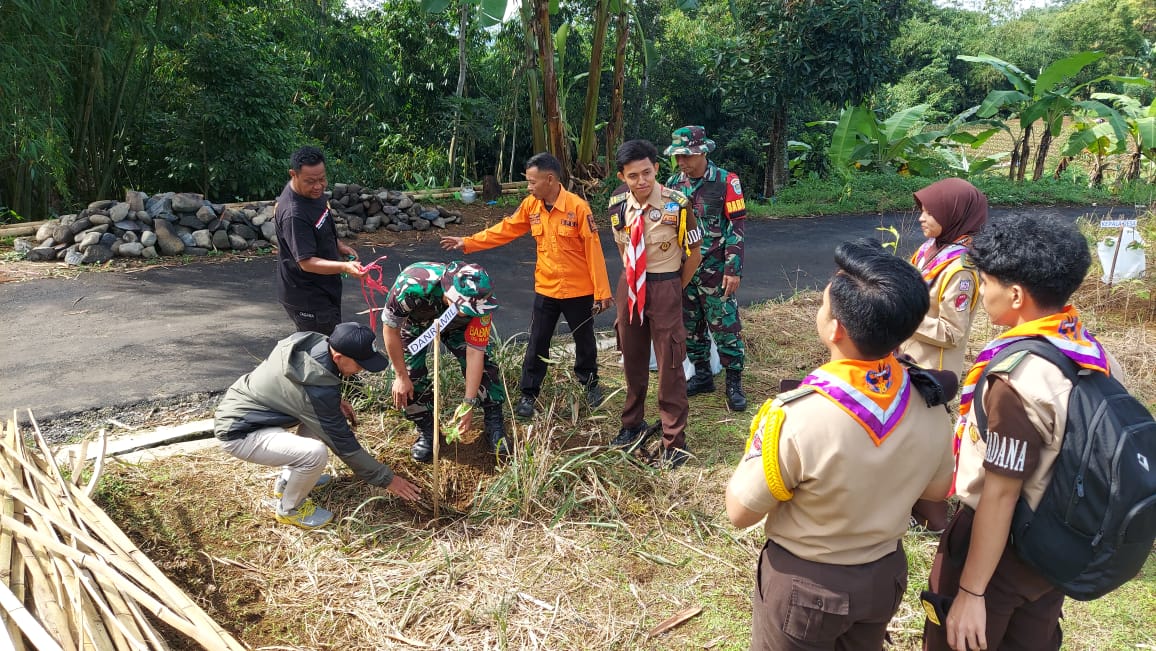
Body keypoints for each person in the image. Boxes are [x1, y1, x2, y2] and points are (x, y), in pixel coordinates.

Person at [726, 238, 955, 651]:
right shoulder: (931, 403)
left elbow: (739, 511)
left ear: (835, 328)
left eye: (823, 305)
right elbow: (937, 492)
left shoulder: (796, 416)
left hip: (807, 586)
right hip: (883, 576)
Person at [923, 215, 1121, 651]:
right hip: (1057, 545)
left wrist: (972, 593)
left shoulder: (1018, 379)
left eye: (987, 283)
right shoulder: (1093, 355)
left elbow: (1001, 494)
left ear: (1015, 295)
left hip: (1000, 548)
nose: (983, 293)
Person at [441, 152, 613, 418]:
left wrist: (602, 293)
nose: (529, 187)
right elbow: (506, 229)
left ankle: (590, 386)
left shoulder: (578, 208)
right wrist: (469, 242)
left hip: (579, 290)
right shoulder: (531, 206)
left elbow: (594, 250)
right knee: (537, 342)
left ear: (550, 179)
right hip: (546, 288)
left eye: (532, 182)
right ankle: (528, 394)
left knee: (585, 340)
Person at [214, 322, 422, 529]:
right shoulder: (317, 391)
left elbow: (295, 391)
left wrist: (334, 403)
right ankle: (289, 509)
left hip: (250, 410)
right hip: (240, 432)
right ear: (338, 357)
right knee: (315, 453)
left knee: (320, 422)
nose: (361, 369)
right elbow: (344, 445)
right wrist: (388, 479)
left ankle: (287, 483)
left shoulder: (309, 344)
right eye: (359, 364)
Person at [898, 177, 988, 532]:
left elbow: (952, 332)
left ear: (954, 215)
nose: (921, 217)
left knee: (922, 446)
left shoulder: (961, 269)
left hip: (932, 371)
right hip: (908, 359)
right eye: (921, 209)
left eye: (930, 211)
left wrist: (904, 315)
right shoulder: (928, 251)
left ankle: (930, 517)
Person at [607, 139, 702, 469]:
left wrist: (673, 286)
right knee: (632, 358)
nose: (641, 181)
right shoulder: (617, 205)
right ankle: (632, 424)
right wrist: (634, 280)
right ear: (623, 176)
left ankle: (674, 440)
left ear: (657, 169)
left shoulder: (678, 205)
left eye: (647, 173)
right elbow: (623, 248)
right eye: (633, 176)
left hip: (664, 285)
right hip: (631, 285)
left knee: (670, 365)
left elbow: (694, 253)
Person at [380, 261, 509, 462]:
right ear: (449, 295)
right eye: (467, 307)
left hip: (459, 327)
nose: (474, 311)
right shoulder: (412, 285)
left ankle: (494, 421)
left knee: (486, 366)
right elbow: (390, 329)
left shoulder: (480, 303)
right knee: (411, 376)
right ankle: (427, 430)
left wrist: (468, 403)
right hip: (417, 324)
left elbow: (475, 352)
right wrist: (400, 375)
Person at [664, 126, 748, 411]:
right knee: (690, 327)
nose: (681, 162)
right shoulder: (674, 183)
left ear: (702, 152)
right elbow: (669, 227)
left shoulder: (726, 181)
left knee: (725, 325)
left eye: (686, 156)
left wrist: (733, 269)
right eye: (677, 157)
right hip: (686, 270)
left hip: (715, 268)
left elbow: (736, 227)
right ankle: (702, 375)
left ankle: (734, 382)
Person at [275, 146, 367, 335]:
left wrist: (338, 245)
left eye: (322, 179)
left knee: (328, 344)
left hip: (323, 288)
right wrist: (344, 267)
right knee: (323, 351)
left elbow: (321, 224)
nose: (318, 186)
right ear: (294, 174)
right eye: (310, 181)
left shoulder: (312, 193)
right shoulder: (294, 214)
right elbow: (306, 262)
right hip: (307, 296)